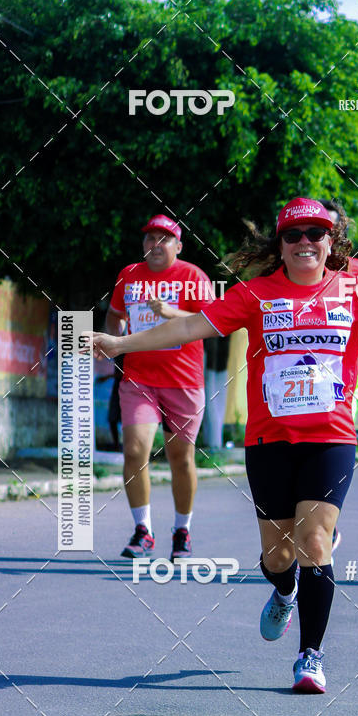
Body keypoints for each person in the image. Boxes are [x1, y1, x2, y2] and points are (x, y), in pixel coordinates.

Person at [93, 198, 358, 693]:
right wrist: (120, 344)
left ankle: (310, 656)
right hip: (269, 441)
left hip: (330, 439)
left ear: (330, 242)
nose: (304, 242)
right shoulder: (254, 294)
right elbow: (190, 326)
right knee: (277, 555)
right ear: (280, 244)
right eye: (293, 234)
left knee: (315, 541)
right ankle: (284, 590)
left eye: (315, 233)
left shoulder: (354, 289)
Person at [105, 213, 214, 560]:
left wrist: (171, 313)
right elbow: (115, 314)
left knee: (180, 458)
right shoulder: (129, 275)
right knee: (135, 451)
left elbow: (214, 321)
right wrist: (113, 339)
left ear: (178, 246)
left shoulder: (192, 277)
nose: (155, 245)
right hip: (139, 379)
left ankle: (182, 530)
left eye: (164, 239)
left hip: (183, 381)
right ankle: (143, 530)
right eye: (150, 238)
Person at [319, 199, 358, 553]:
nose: (318, 236)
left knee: (327, 445)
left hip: (341, 378)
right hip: (293, 379)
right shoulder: (294, 265)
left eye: (328, 228)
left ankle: (324, 521)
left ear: (340, 232)